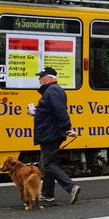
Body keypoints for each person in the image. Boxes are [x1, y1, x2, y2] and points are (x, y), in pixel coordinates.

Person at [29, 67, 81, 204]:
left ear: (49, 78)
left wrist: (68, 128)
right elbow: (51, 111)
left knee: (48, 163)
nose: (39, 79)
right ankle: (47, 194)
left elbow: (60, 112)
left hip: (50, 133)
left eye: (41, 76)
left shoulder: (52, 91)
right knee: (47, 163)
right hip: (49, 132)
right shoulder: (52, 91)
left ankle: (71, 187)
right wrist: (36, 112)